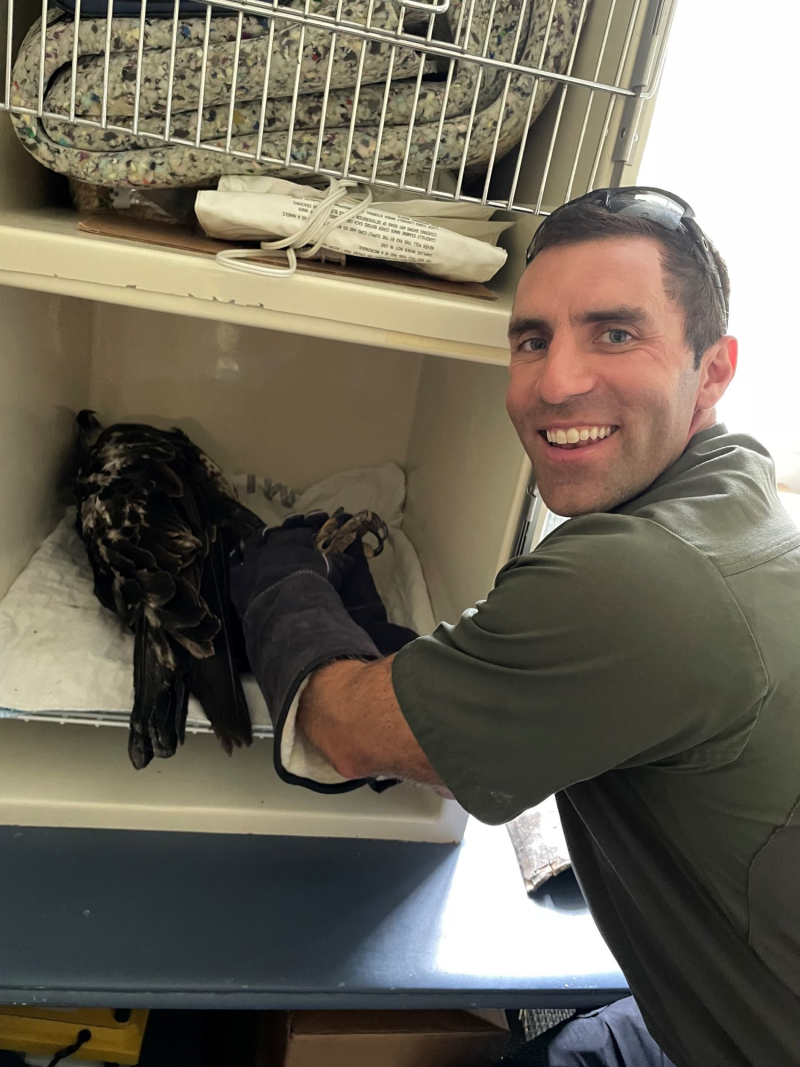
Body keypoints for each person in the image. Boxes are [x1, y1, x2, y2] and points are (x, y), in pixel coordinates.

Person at [230, 187, 800, 1067]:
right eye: (532, 339)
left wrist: (276, 569)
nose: (555, 382)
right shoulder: (749, 511)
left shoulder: (641, 580)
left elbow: (344, 730)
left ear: (713, 369)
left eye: (616, 333)